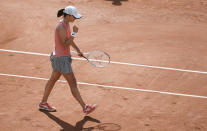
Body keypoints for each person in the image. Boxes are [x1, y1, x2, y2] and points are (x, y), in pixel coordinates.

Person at [38, 6, 97, 115]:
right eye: (74, 16)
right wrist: (75, 33)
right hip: (61, 60)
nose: (76, 18)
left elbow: (68, 40)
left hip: (59, 58)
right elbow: (65, 44)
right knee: (72, 82)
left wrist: (78, 50)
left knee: (52, 80)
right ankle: (85, 107)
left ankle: (43, 103)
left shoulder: (66, 24)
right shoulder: (61, 27)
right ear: (69, 15)